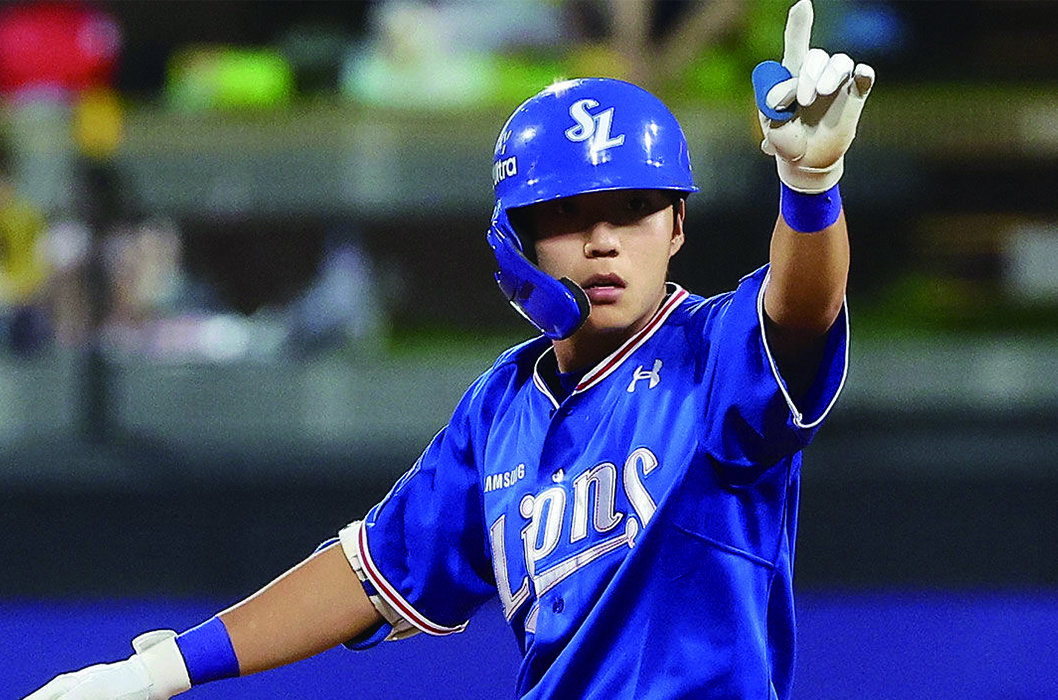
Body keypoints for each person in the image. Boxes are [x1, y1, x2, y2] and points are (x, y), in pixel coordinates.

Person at [22, 2, 873, 698]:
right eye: (568, 214)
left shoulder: (715, 350)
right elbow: (370, 571)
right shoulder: (502, 408)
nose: (604, 240)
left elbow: (803, 306)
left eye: (634, 209)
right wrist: (163, 670)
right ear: (518, 242)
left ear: (678, 225)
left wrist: (809, 187)